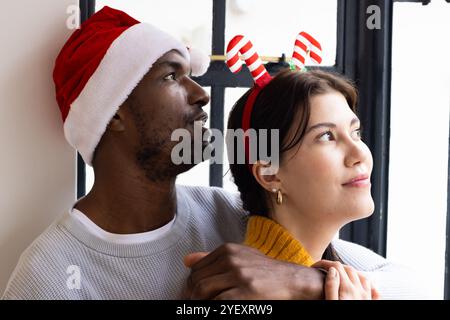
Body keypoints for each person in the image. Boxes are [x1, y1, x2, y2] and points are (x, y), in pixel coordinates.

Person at [2, 6, 424, 300]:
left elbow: (407, 287)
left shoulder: (227, 213)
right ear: (113, 115)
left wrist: (303, 284)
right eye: (172, 76)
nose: (201, 94)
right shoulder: (50, 276)